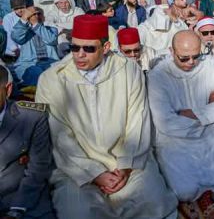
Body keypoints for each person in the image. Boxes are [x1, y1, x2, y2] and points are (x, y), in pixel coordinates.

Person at [35, 15, 177, 219]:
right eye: (75, 48)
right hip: (75, 167)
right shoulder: (52, 79)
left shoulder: (128, 70)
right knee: (80, 212)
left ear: (106, 47)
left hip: (127, 161)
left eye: (89, 49)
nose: (79, 55)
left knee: (152, 202)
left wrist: (126, 166)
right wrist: (94, 173)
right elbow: (59, 136)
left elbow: (138, 120)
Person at [147, 31, 214, 211]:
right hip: (177, 140)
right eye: (184, 58)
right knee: (184, 191)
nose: (191, 62)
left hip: (213, 134)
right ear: (171, 51)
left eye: (195, 56)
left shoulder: (210, 65)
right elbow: (165, 122)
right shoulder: (158, 75)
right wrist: (208, 113)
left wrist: (191, 114)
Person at [0, 65, 55, 219]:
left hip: (24, 202)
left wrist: (16, 211)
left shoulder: (33, 117)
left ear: (8, 89)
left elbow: (38, 169)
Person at [10, 6, 59, 87]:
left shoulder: (52, 30)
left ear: (43, 17)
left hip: (50, 62)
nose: (36, 16)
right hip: (28, 63)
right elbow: (16, 37)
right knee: (35, 72)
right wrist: (24, 19)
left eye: (39, 14)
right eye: (33, 14)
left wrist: (36, 24)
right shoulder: (24, 31)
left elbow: (51, 40)